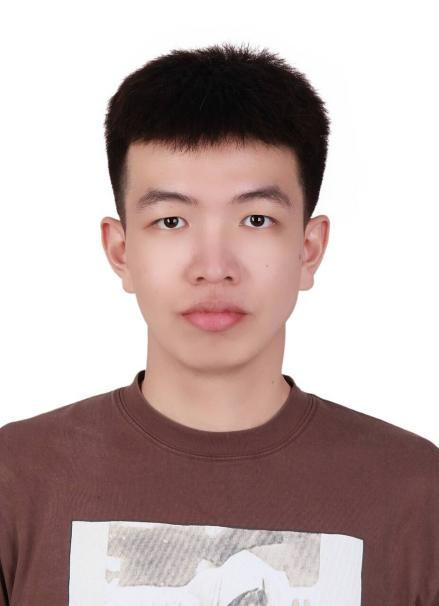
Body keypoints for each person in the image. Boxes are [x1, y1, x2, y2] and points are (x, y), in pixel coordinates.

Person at [0, 42, 437, 606]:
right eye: (171, 220)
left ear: (308, 250)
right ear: (120, 251)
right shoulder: (17, 478)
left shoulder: (416, 492)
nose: (213, 266)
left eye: (255, 219)